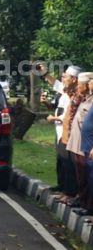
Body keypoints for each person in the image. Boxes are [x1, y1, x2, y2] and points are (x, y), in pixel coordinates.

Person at [40, 64, 81, 204]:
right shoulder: (65, 91)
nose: (63, 79)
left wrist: (55, 118)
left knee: (68, 163)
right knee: (61, 161)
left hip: (68, 133)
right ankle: (63, 187)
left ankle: (70, 192)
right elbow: (55, 84)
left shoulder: (76, 94)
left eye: (66, 77)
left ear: (74, 79)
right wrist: (45, 74)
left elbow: (71, 115)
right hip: (60, 131)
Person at [68, 73, 93, 215]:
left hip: (89, 147)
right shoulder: (86, 99)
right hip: (83, 145)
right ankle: (87, 206)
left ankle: (88, 207)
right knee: (86, 178)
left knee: (88, 178)